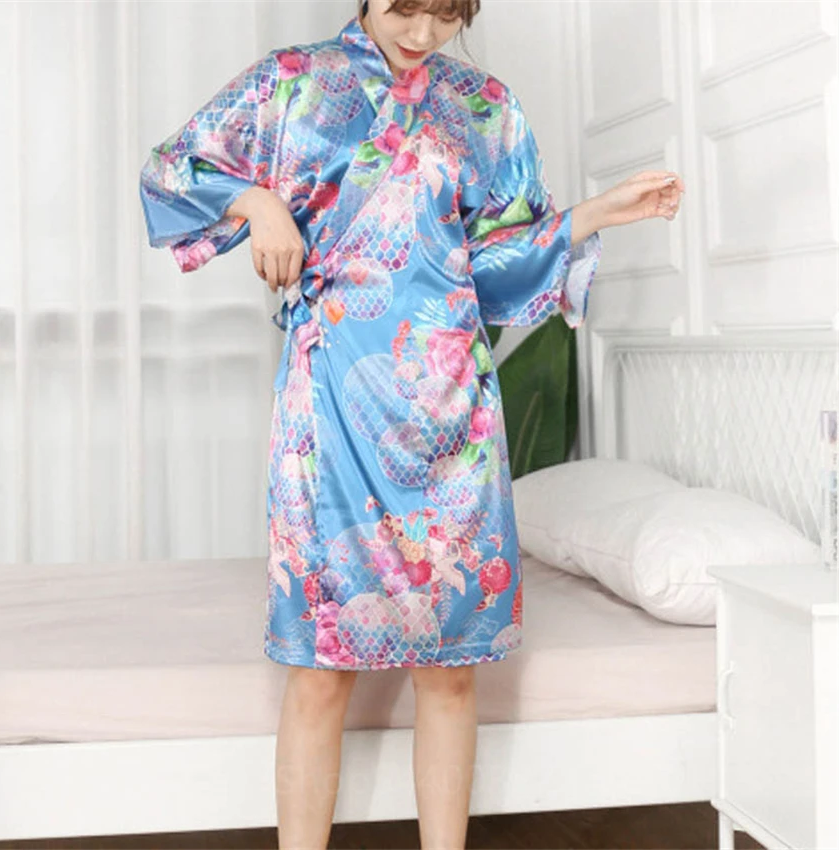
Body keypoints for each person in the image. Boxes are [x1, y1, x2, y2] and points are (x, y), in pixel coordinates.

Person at [139, 1, 684, 847]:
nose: (422, 35)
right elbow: (171, 169)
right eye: (406, 8)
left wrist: (593, 214)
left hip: (452, 412)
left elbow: (491, 271)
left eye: (446, 15)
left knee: (452, 669)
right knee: (321, 667)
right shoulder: (293, 82)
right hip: (330, 410)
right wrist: (258, 201)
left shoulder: (486, 107)